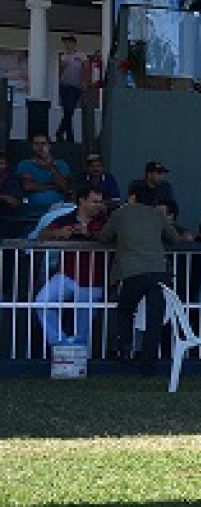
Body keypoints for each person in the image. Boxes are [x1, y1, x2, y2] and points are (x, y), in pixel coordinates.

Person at [98, 183, 181, 373]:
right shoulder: (157, 215)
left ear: (132, 197)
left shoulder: (120, 214)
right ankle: (149, 363)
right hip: (158, 271)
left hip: (132, 272)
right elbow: (174, 238)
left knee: (125, 311)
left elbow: (103, 237)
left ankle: (124, 352)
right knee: (155, 318)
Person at [35, 186, 108, 349]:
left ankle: (79, 362)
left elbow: (110, 238)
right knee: (42, 302)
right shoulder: (67, 218)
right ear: (82, 201)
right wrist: (59, 232)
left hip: (92, 279)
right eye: (94, 201)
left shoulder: (105, 220)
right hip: (67, 275)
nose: (99, 205)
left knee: (84, 327)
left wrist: (88, 232)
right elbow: (42, 234)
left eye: (100, 202)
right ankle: (60, 343)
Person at [16, 132, 70, 217]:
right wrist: (53, 187)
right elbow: (28, 186)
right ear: (32, 146)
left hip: (57, 212)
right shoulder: (25, 164)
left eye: (43, 143)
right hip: (33, 210)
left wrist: (50, 166)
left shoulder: (61, 164)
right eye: (36, 144)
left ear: (49, 146)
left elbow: (64, 186)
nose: (40, 147)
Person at [57, 34, 86, 143]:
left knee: (70, 111)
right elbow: (61, 72)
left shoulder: (81, 56)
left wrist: (84, 82)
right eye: (65, 43)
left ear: (74, 43)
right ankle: (69, 136)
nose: (67, 45)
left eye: (69, 42)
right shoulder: (63, 57)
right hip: (65, 86)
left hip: (76, 87)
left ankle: (60, 131)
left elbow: (85, 69)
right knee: (67, 110)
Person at [0, 152, 25, 237]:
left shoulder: (13, 181)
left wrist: (3, 197)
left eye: (2, 164)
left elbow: (16, 203)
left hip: (7, 218)